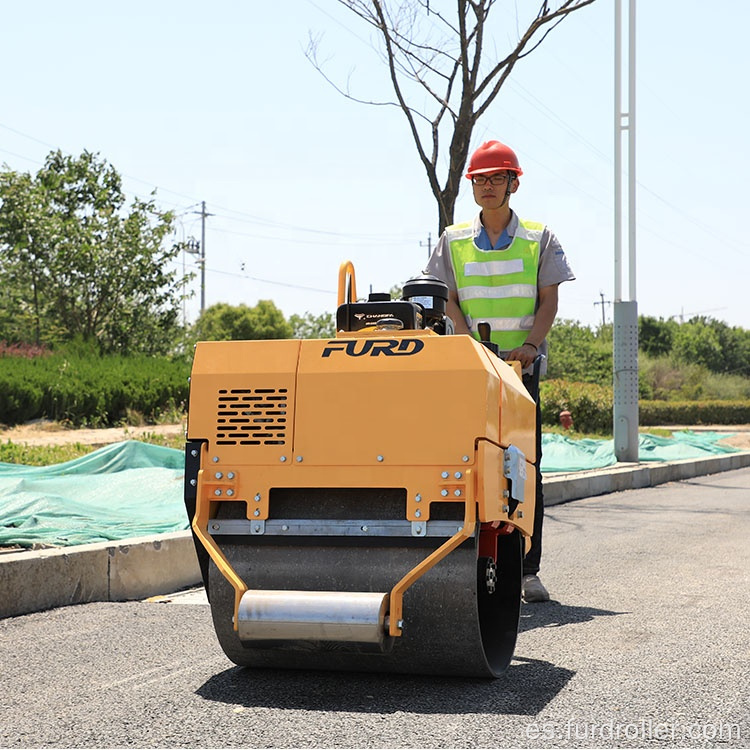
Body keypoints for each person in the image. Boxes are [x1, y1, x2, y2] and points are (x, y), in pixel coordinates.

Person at [424, 139, 575, 603]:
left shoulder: (539, 237)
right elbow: (443, 296)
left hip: (520, 371)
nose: (487, 187)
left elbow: (548, 299)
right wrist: (468, 341)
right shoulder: (452, 240)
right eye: (480, 180)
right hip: (472, 370)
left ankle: (527, 571)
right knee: (467, 462)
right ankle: (468, 559)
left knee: (525, 467)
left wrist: (530, 345)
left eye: (496, 178)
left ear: (513, 183)